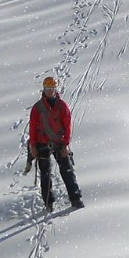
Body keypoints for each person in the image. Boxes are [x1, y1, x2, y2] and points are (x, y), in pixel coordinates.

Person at [28, 76, 84, 212]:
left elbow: (68, 126)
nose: (49, 91)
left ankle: (75, 198)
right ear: (44, 89)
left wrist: (65, 144)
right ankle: (48, 202)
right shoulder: (37, 108)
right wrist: (33, 146)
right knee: (45, 174)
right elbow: (33, 128)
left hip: (59, 143)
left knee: (67, 171)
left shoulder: (62, 106)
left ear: (55, 89)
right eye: (47, 88)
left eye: (52, 88)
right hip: (42, 143)